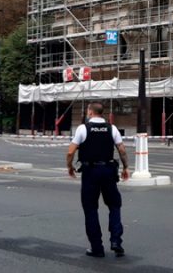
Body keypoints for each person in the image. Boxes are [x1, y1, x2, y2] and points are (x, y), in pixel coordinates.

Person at [66, 102, 130, 258]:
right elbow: (121, 149)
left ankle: (97, 247)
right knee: (114, 205)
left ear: (90, 112)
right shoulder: (112, 128)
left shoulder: (83, 128)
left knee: (90, 208)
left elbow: (70, 152)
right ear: (102, 113)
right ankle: (116, 241)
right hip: (108, 171)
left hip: (90, 171)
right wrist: (126, 167)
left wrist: (69, 166)